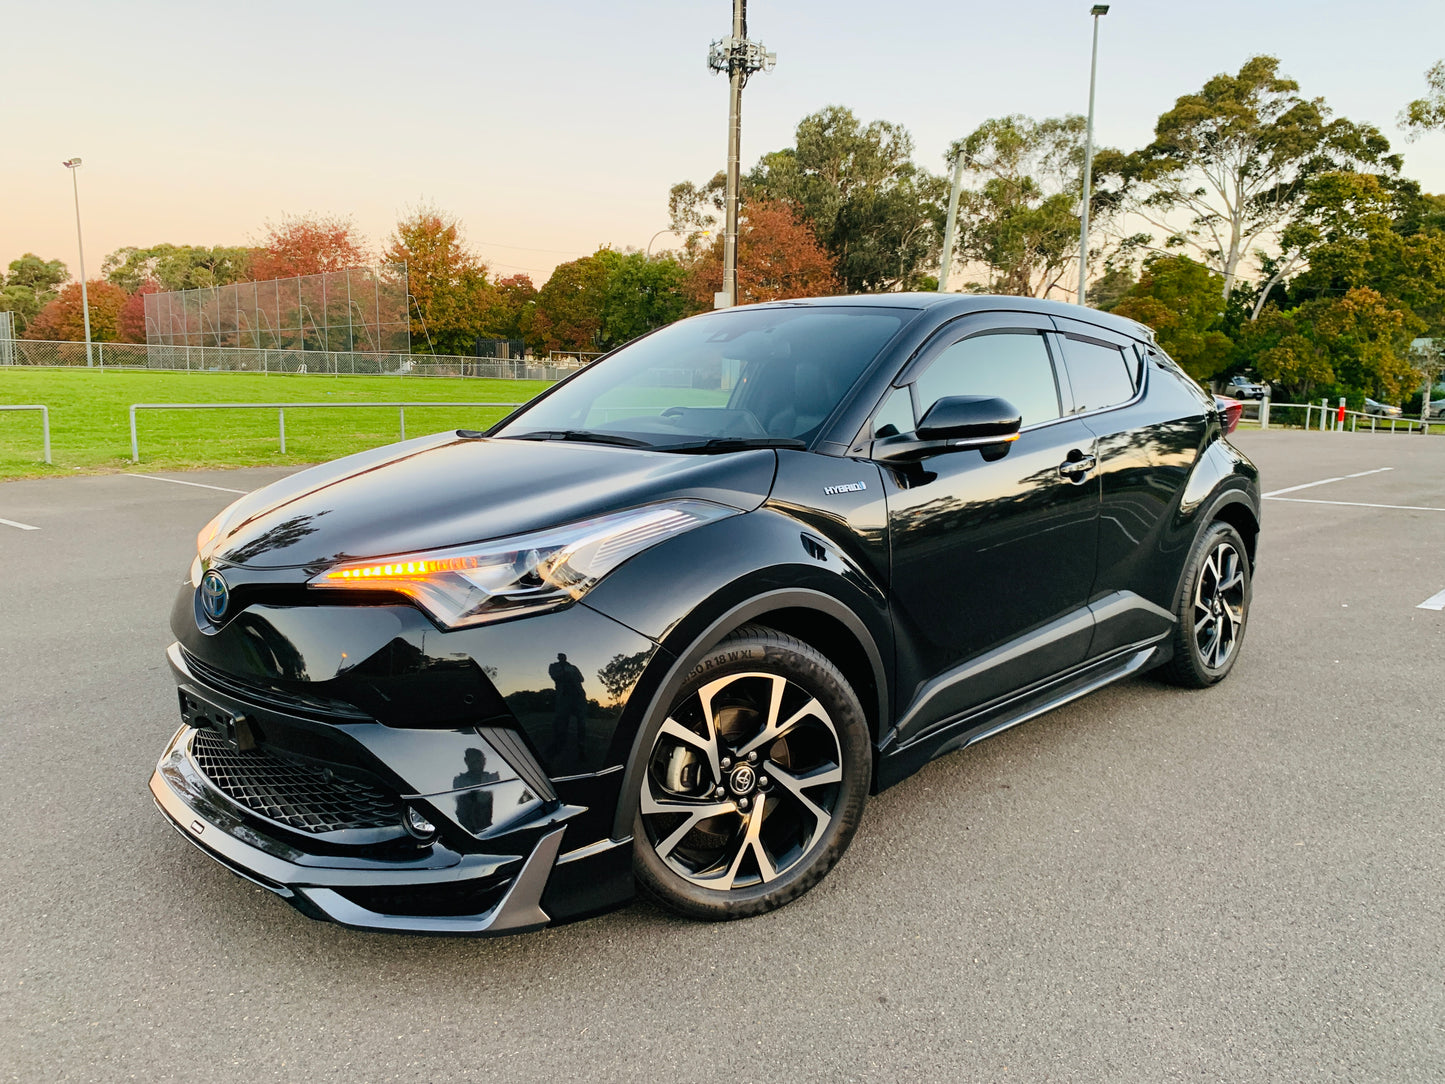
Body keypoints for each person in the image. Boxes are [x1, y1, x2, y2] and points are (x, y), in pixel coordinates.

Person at [547, 652, 587, 759]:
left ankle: (581, 747)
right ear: (558, 658)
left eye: (563, 656)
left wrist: (571, 675)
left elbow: (581, 679)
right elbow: (555, 676)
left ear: (566, 657)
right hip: (564, 698)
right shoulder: (554, 666)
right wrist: (566, 674)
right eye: (560, 656)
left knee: (581, 723)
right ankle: (559, 744)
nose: (562, 658)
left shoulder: (573, 667)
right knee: (561, 722)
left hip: (578, 696)